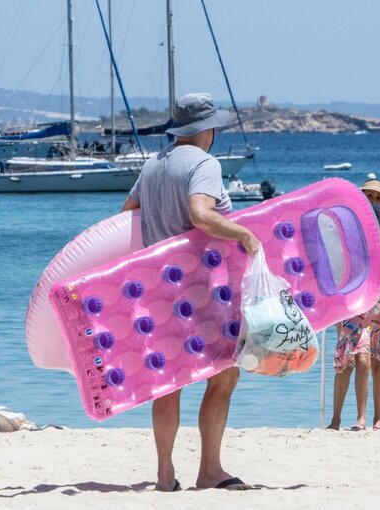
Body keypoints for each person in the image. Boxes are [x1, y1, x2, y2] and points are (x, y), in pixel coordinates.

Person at [121, 92, 260, 492]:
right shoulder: (205, 163)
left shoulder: (152, 165)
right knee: (223, 376)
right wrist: (244, 234)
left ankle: (165, 475)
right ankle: (210, 470)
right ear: (207, 129)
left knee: (169, 382)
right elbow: (201, 214)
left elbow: (127, 214)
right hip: (203, 292)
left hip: (158, 292)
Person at [328, 200, 380, 431]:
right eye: (379, 225)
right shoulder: (356, 246)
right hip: (358, 311)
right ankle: (356, 418)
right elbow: (341, 275)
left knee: (379, 364)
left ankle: (377, 419)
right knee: (358, 360)